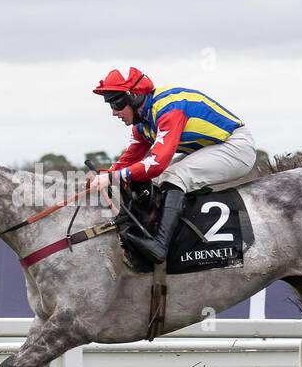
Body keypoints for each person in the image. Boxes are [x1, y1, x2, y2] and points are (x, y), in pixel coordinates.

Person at [91, 67, 258, 263]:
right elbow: (130, 159)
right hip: (212, 148)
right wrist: (105, 177)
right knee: (160, 178)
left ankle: (160, 245)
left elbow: (157, 162)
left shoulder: (168, 109)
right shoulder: (142, 123)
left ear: (134, 96)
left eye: (116, 104)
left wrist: (114, 177)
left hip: (236, 147)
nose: (113, 113)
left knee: (173, 175)